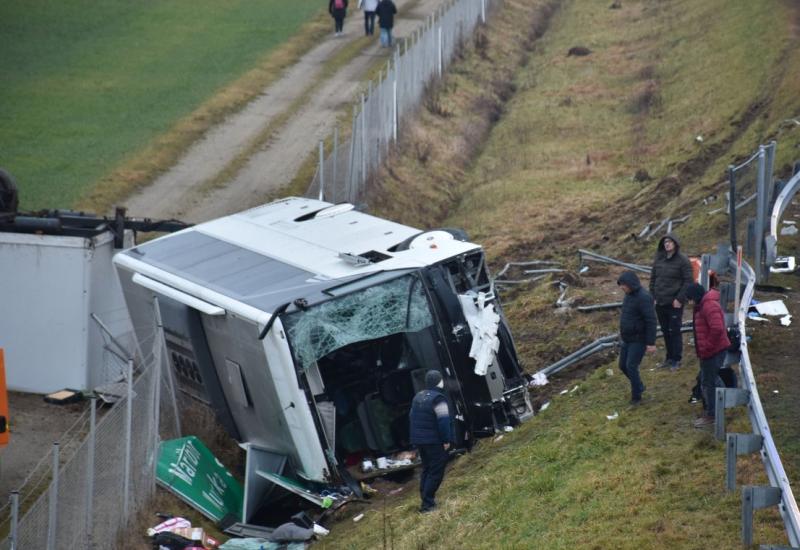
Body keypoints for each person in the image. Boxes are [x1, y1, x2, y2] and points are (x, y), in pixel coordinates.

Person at [686, 283, 731, 428]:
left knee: (708, 381)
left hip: (713, 350)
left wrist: (706, 347)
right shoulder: (702, 305)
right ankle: (725, 402)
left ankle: (712, 415)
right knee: (709, 378)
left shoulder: (708, 306)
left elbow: (717, 329)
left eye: (690, 299)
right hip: (710, 350)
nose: (689, 302)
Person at [409, 369, 451, 513]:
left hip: (419, 440)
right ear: (439, 381)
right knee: (436, 471)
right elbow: (444, 422)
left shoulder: (418, 397)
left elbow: (411, 417)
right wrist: (446, 440)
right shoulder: (438, 399)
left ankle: (424, 497)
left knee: (427, 468)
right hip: (433, 440)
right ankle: (427, 504)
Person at [649, 233, 693, 370]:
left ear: (675, 243)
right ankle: (669, 358)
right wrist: (653, 296)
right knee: (665, 330)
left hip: (674, 303)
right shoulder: (659, 259)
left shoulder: (682, 260)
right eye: (665, 242)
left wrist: (680, 299)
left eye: (669, 241)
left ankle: (676, 359)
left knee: (674, 330)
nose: (667, 244)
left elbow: (688, 281)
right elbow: (653, 279)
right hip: (660, 301)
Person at [617, 271, 657, 404]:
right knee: (622, 365)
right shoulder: (628, 296)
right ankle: (639, 386)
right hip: (627, 338)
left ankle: (636, 397)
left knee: (631, 366)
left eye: (623, 285)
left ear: (630, 284)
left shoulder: (644, 298)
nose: (622, 288)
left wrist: (650, 343)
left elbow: (651, 321)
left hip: (639, 338)